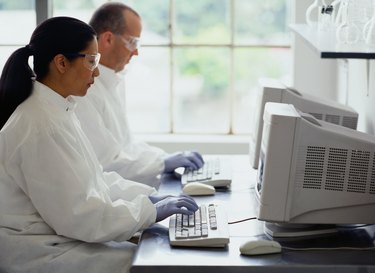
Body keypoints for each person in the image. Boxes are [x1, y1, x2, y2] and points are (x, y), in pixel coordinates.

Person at [0, 16, 198, 273]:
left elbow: (96, 180)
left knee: (158, 247)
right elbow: (79, 215)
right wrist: (149, 211)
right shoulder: (41, 123)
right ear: (61, 63)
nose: (96, 71)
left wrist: (149, 198)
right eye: (91, 61)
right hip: (40, 251)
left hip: (59, 237)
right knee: (157, 261)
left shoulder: (58, 110)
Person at [74, 2, 204, 185]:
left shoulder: (113, 80)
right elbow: (105, 163)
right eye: (133, 42)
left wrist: (165, 158)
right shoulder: (84, 91)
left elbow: (127, 147)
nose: (136, 52)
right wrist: (162, 163)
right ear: (108, 39)